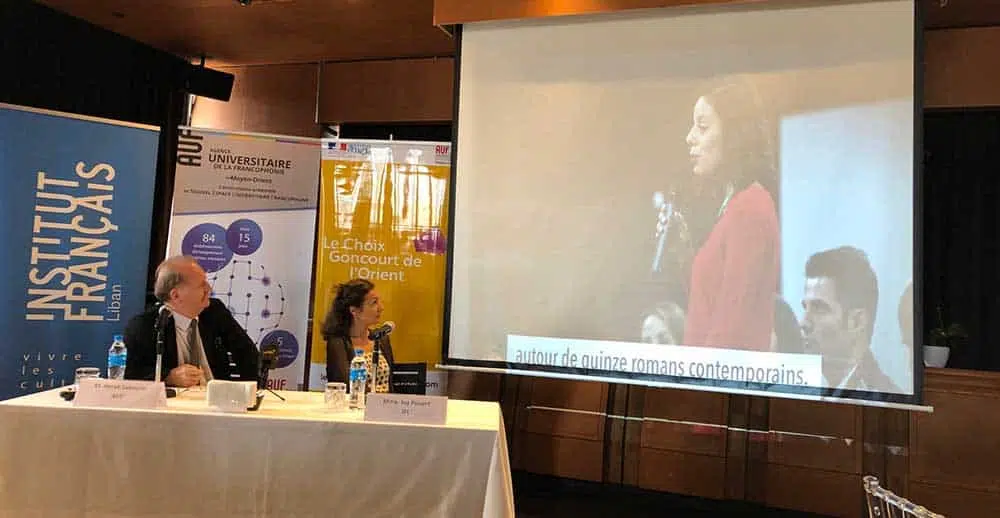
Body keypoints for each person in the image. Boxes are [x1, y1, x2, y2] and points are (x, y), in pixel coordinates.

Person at [679, 79, 780, 351]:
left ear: (734, 133)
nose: (690, 137)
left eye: (702, 127)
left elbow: (730, 330)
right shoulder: (735, 206)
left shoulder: (749, 207)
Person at [124, 255, 259, 387]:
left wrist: (247, 391)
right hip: (175, 400)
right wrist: (168, 377)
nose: (209, 288)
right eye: (201, 285)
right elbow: (132, 375)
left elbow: (248, 353)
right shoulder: (144, 326)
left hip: (217, 396)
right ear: (176, 295)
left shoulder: (215, 312)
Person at [799, 246, 898, 392]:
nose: (803, 323)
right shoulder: (804, 386)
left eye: (819, 309)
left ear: (857, 321)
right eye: (805, 307)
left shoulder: (883, 397)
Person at [322, 279, 395, 392]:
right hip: (356, 401)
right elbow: (345, 384)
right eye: (374, 303)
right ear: (354, 311)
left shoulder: (381, 339)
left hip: (385, 402)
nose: (381, 308)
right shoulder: (338, 342)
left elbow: (391, 383)